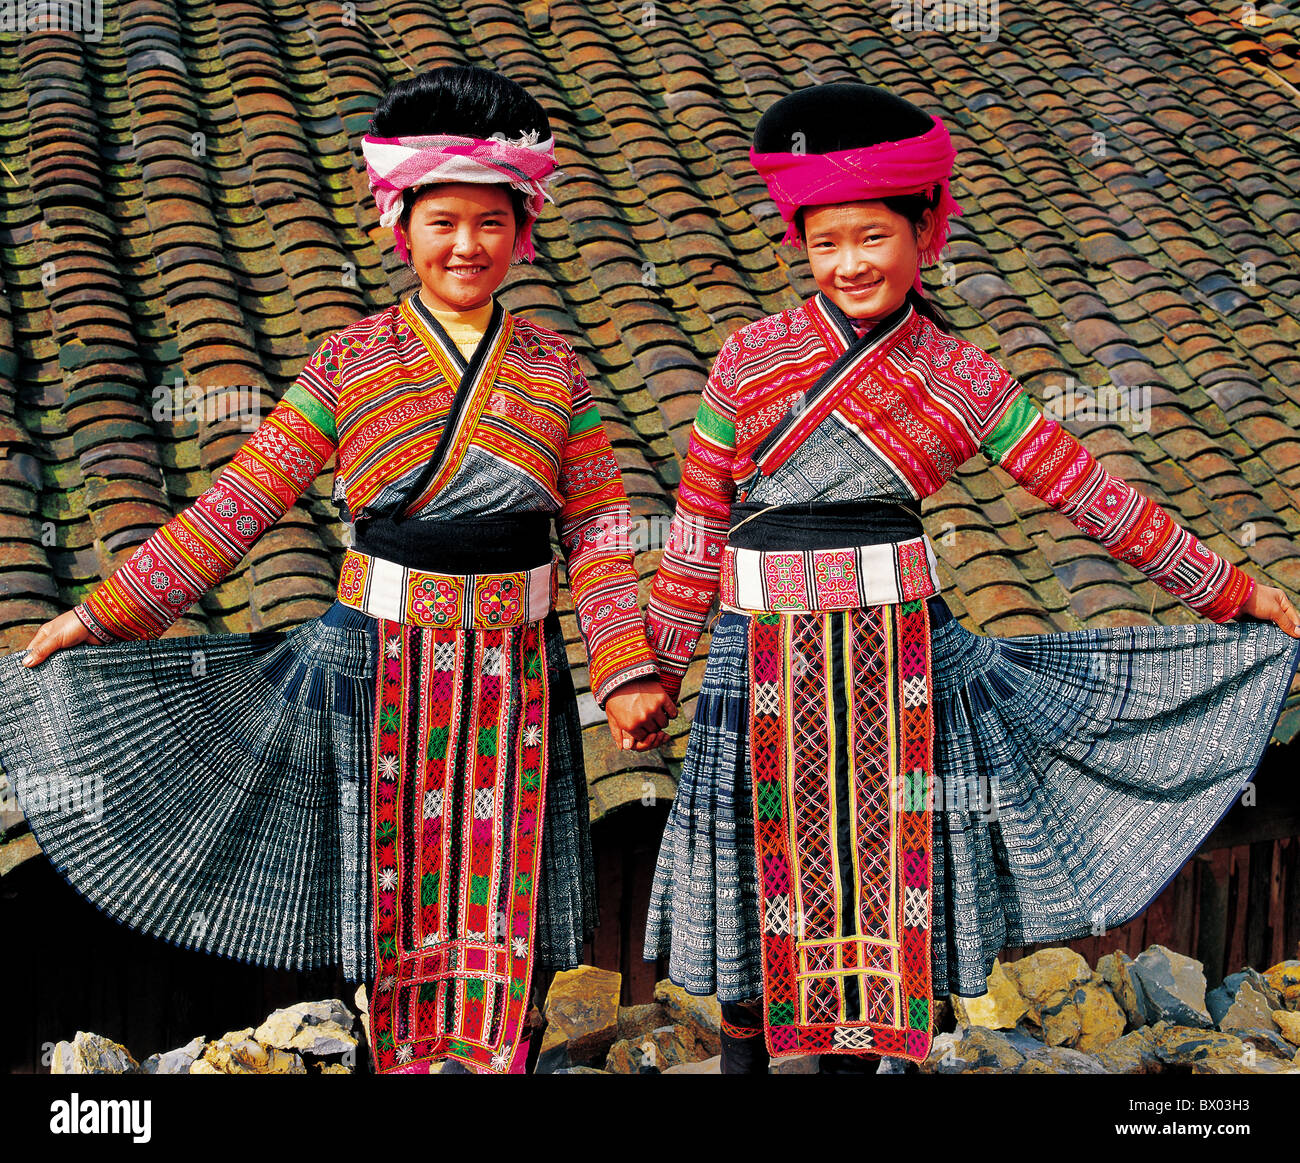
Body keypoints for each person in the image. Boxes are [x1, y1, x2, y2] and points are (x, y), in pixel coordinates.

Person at [0, 64, 675, 1075]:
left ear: (522, 229)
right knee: (391, 908)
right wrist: (98, 616)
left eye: (490, 222)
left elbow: (601, 531)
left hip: (518, 675)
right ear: (399, 225)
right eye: (441, 221)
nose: (465, 246)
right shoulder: (348, 363)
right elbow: (238, 504)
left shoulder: (558, 372)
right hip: (380, 670)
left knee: (509, 906)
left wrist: (625, 666)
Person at [642, 81, 1300, 1075]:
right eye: (826, 243)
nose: (850, 263)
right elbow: (695, 525)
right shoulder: (748, 360)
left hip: (898, 669)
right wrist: (645, 664)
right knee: (752, 885)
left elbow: (1089, 493)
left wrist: (1230, 591)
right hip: (756, 658)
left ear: (926, 229)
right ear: (801, 246)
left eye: (872, 236)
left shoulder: (963, 377)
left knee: (877, 897)